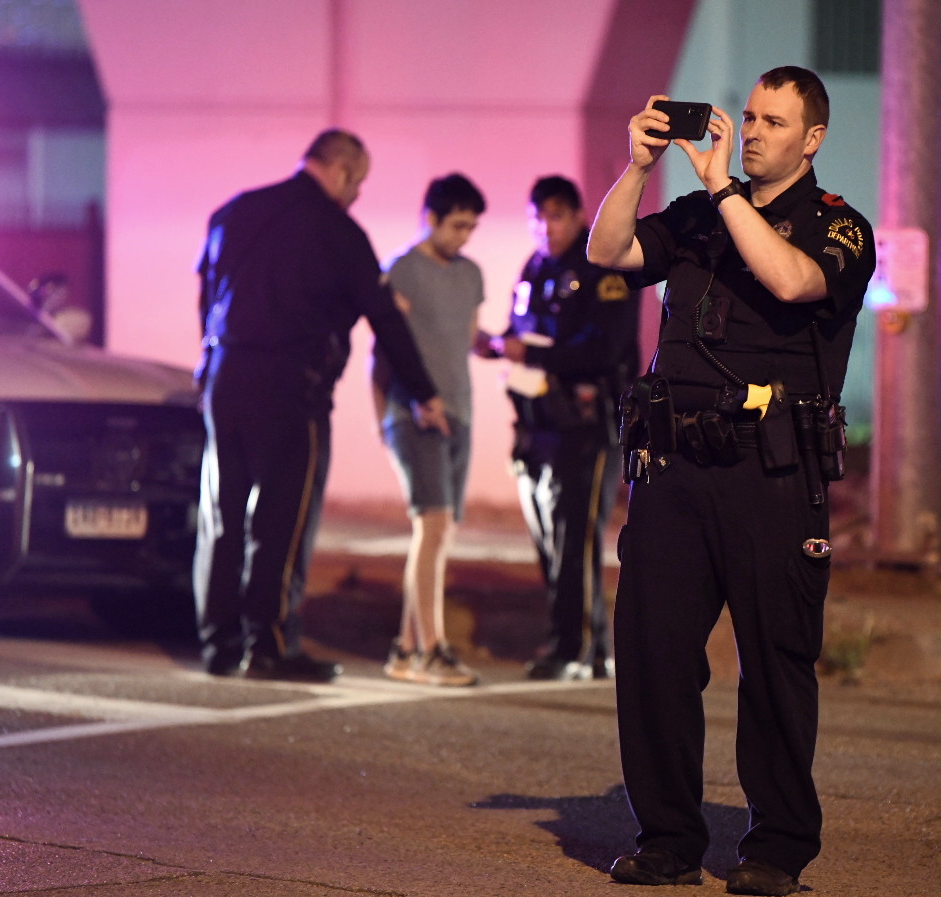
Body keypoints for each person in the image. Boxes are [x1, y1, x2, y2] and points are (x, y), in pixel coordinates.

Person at [587, 67, 876, 895]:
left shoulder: (840, 226)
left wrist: (723, 195)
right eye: (746, 116)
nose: (749, 133)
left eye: (773, 122)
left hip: (772, 474)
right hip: (674, 470)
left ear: (811, 139)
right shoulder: (695, 217)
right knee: (653, 656)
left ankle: (777, 846)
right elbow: (607, 252)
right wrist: (639, 167)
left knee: (775, 663)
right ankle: (670, 838)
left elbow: (790, 281)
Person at [192, 129, 448, 683]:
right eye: (358, 183)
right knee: (284, 518)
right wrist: (425, 392)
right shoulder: (339, 231)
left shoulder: (234, 211)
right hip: (291, 387)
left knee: (221, 514)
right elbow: (385, 318)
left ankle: (217, 644)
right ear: (341, 171)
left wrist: (206, 362)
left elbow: (206, 291)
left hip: (224, 377)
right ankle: (270, 645)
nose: (357, 195)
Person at [479, 176, 639, 681]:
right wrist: (496, 343)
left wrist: (533, 352)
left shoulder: (602, 265)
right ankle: (577, 645)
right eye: (535, 218)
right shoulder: (535, 266)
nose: (543, 228)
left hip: (586, 425)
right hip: (536, 423)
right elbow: (520, 330)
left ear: (576, 216)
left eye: (553, 217)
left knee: (576, 539)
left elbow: (605, 349)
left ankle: (579, 647)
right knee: (548, 540)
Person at [371, 174, 487, 687]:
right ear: (430, 218)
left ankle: (406, 647)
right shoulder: (401, 270)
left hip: (460, 411)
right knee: (433, 525)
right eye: (457, 225)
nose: (464, 236)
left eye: (471, 227)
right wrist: (392, 413)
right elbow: (385, 350)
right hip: (414, 414)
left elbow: (465, 338)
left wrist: (510, 346)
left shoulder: (471, 274)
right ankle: (433, 652)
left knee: (438, 533)